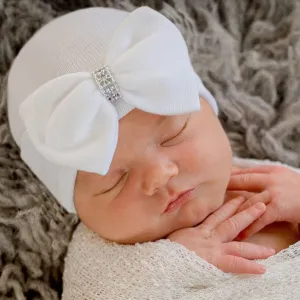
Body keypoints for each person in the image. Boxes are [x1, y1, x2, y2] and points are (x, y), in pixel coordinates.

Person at [6, 6, 300, 299]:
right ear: (77, 206)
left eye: (174, 134)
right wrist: (176, 264)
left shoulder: (268, 179)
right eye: (116, 181)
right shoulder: (102, 260)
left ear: (211, 112)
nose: (160, 176)